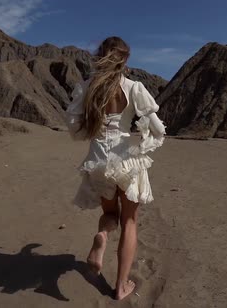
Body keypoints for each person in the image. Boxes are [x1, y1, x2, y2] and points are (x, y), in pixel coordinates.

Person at [64, 36, 166, 300]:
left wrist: (91, 130)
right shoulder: (133, 88)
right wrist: (144, 145)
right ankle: (120, 287)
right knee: (130, 221)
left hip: (97, 156)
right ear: (125, 59)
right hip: (126, 158)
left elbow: (73, 123)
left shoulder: (88, 87)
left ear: (101, 55)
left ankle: (102, 235)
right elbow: (157, 128)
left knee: (110, 214)